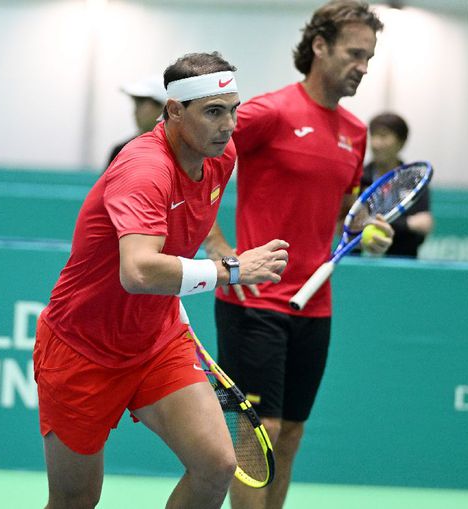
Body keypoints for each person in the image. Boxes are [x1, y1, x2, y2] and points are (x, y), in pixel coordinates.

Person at [33, 51, 290, 509]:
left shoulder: (220, 156)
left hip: (157, 339)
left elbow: (185, 224)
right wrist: (230, 269)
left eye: (233, 110)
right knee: (75, 500)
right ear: (174, 111)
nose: (228, 125)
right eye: (214, 112)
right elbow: (137, 270)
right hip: (81, 348)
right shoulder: (144, 168)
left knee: (216, 464)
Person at [204, 2, 391, 508]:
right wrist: (218, 247)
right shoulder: (270, 113)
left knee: (289, 437)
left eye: (370, 58)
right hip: (255, 301)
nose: (363, 67)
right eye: (355, 54)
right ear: (319, 47)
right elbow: (192, 159)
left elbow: (347, 207)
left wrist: (365, 225)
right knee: (257, 434)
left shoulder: (356, 130)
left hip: (316, 304)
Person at [362, 112, 433, 257]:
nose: (375, 143)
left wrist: (373, 222)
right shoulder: (359, 177)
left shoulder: (415, 181)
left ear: (401, 142)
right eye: (373, 136)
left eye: (383, 136)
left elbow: (422, 227)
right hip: (359, 263)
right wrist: (407, 224)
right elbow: (353, 223)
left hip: (402, 261)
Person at [106, 74, 168, 165]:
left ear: (164, 107)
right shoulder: (121, 150)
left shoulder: (181, 153)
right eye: (135, 104)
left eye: (140, 104)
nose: (135, 112)